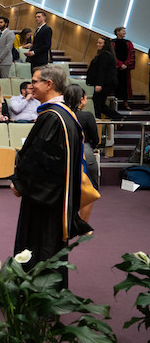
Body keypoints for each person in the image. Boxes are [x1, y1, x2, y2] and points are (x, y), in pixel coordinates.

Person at [11, 64, 92, 288]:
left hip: (44, 202)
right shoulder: (65, 115)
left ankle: (37, 298)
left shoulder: (54, 118)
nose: (31, 86)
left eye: (35, 81)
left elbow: (41, 161)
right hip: (55, 199)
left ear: (49, 84)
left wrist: (21, 183)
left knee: (40, 247)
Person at [64, 84, 98, 224]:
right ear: (82, 99)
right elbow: (95, 139)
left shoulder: (60, 114)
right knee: (89, 191)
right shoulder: (87, 116)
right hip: (86, 152)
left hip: (64, 153)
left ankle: (65, 222)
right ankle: (83, 225)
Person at [86, 36, 124, 121]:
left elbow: (102, 70)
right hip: (106, 83)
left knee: (97, 102)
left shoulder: (105, 55)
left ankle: (100, 121)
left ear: (105, 45)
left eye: (100, 43)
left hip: (105, 83)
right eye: (97, 42)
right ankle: (115, 117)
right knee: (98, 102)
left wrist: (99, 84)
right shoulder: (105, 54)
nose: (97, 44)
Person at [112, 26, 135, 110]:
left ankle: (125, 102)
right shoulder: (112, 42)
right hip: (115, 68)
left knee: (125, 85)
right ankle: (114, 103)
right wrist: (120, 64)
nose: (124, 32)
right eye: (123, 31)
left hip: (125, 69)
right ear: (117, 32)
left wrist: (125, 64)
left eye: (125, 31)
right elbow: (112, 55)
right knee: (115, 85)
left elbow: (131, 55)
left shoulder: (128, 43)